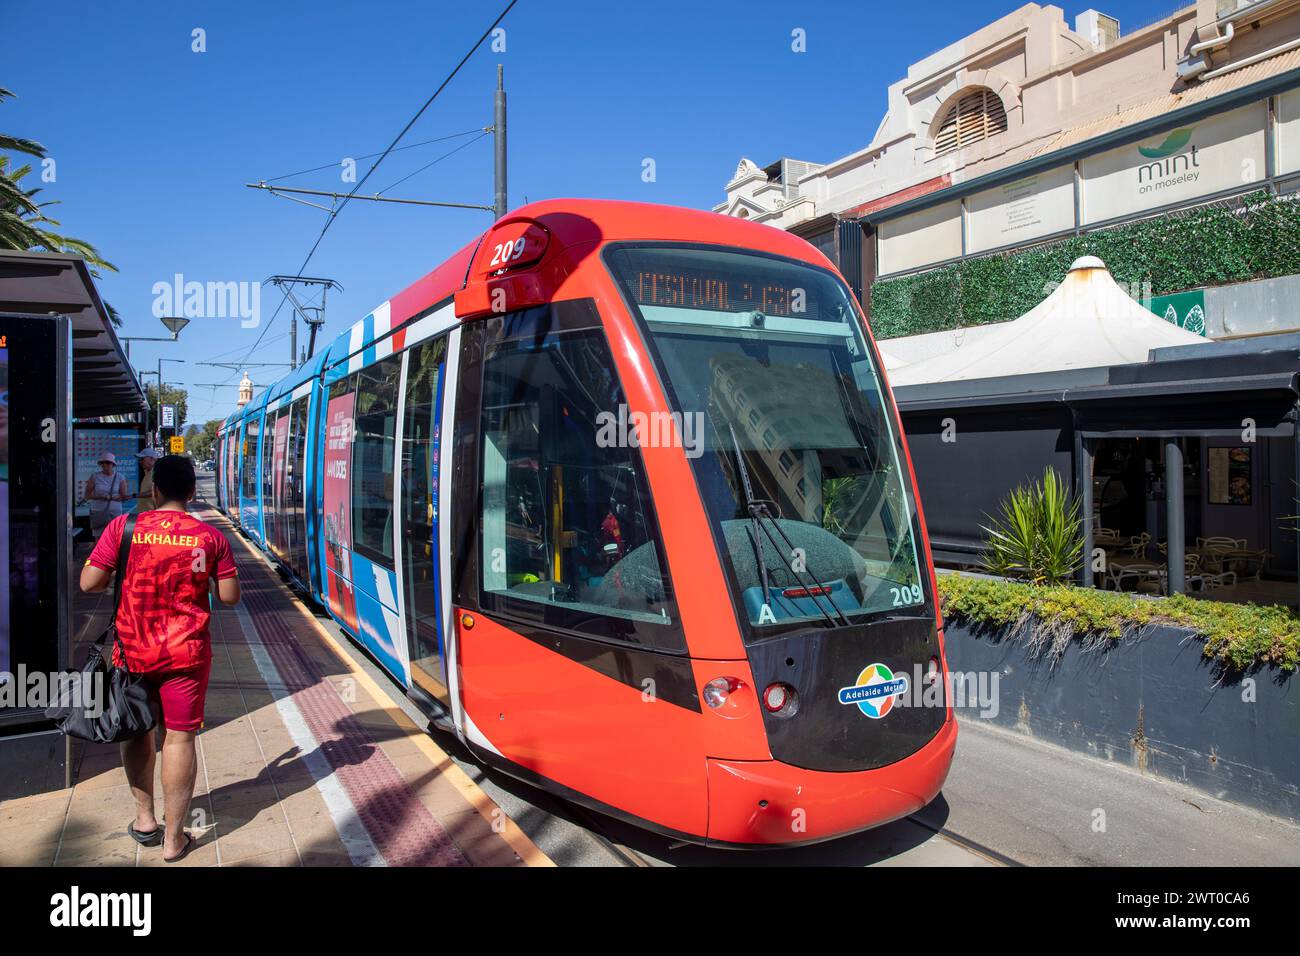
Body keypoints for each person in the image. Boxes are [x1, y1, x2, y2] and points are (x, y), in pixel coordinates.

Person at [79, 455, 240, 862]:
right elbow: (229, 597)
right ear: (191, 492)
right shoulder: (210, 537)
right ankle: (174, 840)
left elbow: (89, 583)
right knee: (180, 738)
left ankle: (145, 819)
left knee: (137, 730)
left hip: (132, 651)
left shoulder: (125, 527)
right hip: (186, 655)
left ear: (154, 491)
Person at [85, 451, 128, 539]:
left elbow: (124, 496)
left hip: (114, 513)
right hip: (98, 512)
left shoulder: (120, 477)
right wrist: (102, 497)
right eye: (102, 463)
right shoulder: (94, 476)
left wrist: (112, 497)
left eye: (107, 463)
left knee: (115, 538)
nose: (105, 465)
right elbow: (87, 496)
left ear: (113, 464)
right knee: (99, 539)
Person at [135, 447, 160, 513]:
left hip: (152, 514)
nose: (140, 461)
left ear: (152, 459)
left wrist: (134, 495)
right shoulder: (147, 473)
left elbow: (156, 491)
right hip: (145, 513)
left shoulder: (158, 472)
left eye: (142, 459)